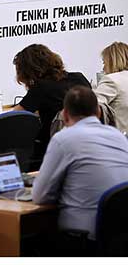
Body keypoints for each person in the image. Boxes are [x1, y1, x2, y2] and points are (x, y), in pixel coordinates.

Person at [33, 86, 128, 253]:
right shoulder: (119, 137)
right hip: (120, 235)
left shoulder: (63, 139)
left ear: (65, 114)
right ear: (98, 112)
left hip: (82, 239)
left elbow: (41, 196)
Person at [12, 44, 90, 159]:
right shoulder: (79, 78)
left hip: (54, 148)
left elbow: (13, 116)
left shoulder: (41, 87)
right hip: (88, 143)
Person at [94, 41, 128, 134]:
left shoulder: (112, 80)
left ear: (112, 61)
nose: (103, 68)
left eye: (104, 63)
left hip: (118, 137)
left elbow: (92, 106)